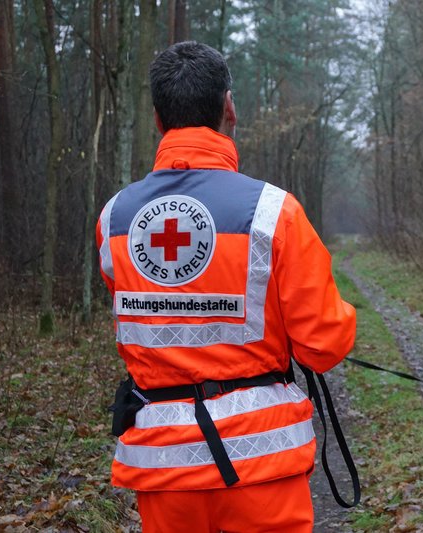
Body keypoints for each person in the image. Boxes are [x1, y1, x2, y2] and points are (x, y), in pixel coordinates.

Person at [95, 41, 356, 532]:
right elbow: (322, 347)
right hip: (262, 464)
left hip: (163, 468)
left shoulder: (115, 219)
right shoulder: (274, 213)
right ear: (229, 108)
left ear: (157, 119)